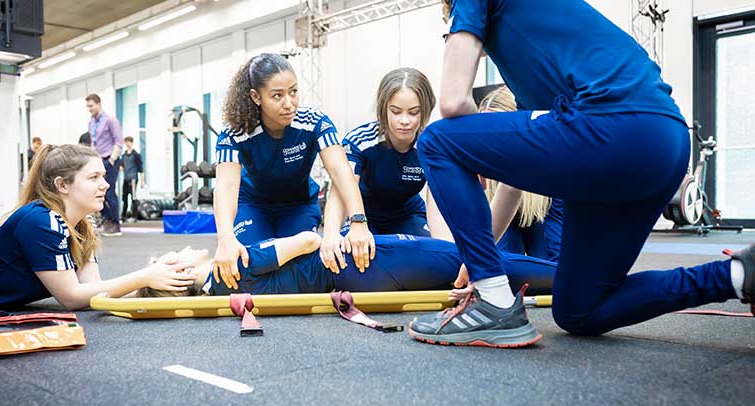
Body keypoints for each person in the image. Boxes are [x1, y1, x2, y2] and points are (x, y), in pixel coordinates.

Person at [407, 0, 754, 347]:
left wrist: (468, 153)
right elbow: (514, 181)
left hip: (611, 127)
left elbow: (452, 102)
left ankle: (495, 307)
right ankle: (738, 274)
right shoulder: (538, 55)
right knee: (580, 311)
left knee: (437, 139)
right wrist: (479, 259)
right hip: (665, 144)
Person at [213, 53, 374, 291]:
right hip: (253, 206)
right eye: (277, 96)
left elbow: (341, 171)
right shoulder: (234, 133)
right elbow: (226, 186)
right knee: (246, 262)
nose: (289, 103)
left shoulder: (315, 122)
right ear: (256, 97)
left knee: (306, 261)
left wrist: (358, 222)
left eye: (294, 91)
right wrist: (225, 238)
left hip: (298, 205)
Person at [0, 144, 197, 310]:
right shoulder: (40, 221)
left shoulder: (83, 223)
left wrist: (161, 281)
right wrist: (146, 276)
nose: (105, 184)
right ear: (62, 186)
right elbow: (72, 297)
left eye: (103, 176)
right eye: (93, 177)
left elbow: (92, 291)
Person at [137, 232, 555, 299]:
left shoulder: (226, 286)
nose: (183, 248)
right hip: (357, 265)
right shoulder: (233, 265)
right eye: (170, 259)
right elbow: (311, 239)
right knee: (471, 258)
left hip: (356, 276)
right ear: (182, 275)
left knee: (466, 261)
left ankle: (564, 278)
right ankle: (569, 278)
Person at [321, 68, 437, 269]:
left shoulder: (431, 145)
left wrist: (445, 248)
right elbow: (340, 191)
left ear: (425, 110)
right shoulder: (361, 140)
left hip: (407, 215)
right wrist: (330, 235)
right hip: (363, 214)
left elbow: (438, 204)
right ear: (384, 108)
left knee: (428, 256)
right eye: (396, 111)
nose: (404, 120)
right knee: (348, 256)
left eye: (414, 112)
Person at [479, 87, 563, 262]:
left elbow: (556, 252)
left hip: (540, 210)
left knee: (549, 265)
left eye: (498, 131)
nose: (491, 141)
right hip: (500, 217)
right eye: (485, 132)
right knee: (505, 261)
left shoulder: (550, 163)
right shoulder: (479, 161)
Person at [86, 93, 124, 237]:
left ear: (98, 104)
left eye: (91, 106)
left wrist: (111, 160)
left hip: (109, 160)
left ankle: (115, 224)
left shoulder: (110, 120)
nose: (89, 109)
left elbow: (118, 142)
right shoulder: (91, 123)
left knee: (109, 192)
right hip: (97, 161)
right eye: (87, 106)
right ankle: (107, 220)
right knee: (95, 192)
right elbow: (93, 143)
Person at [120, 136, 145, 222]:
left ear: (131, 142)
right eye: (126, 142)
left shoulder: (136, 155)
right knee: (124, 197)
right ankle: (123, 216)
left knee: (133, 197)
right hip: (125, 179)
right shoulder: (123, 155)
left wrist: (142, 181)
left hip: (133, 179)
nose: (127, 144)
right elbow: (121, 166)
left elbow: (141, 169)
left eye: (128, 142)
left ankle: (134, 216)